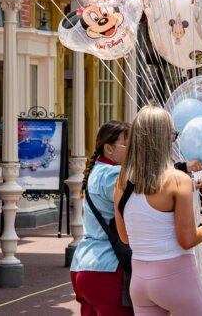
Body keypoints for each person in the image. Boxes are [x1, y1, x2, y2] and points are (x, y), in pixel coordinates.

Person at [114, 106, 202, 315]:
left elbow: (124, 237)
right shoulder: (177, 180)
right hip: (175, 275)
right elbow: (187, 240)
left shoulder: (122, 181)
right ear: (165, 139)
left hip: (140, 280)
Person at [70, 120, 132, 316]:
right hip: (107, 266)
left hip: (83, 262)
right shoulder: (113, 175)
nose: (133, 151)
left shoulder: (97, 170)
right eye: (128, 145)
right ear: (109, 148)